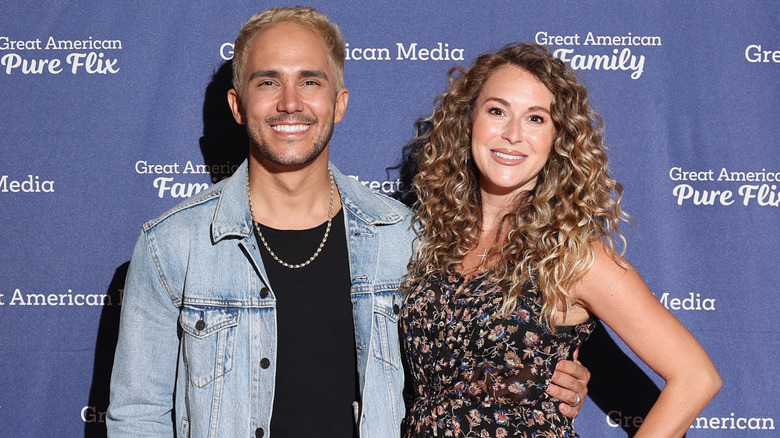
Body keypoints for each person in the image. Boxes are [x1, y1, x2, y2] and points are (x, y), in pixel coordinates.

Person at [106, 7, 590, 437]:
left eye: (311, 81)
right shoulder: (173, 246)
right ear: (237, 105)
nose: (290, 102)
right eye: (268, 81)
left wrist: (539, 375)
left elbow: (463, 360)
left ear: (339, 103)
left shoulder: (406, 238)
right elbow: (137, 416)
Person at [401, 42, 722, 437]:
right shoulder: (432, 243)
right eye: (497, 111)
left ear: (558, 138)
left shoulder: (571, 255)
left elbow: (695, 376)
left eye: (536, 118)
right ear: (469, 122)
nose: (512, 134)